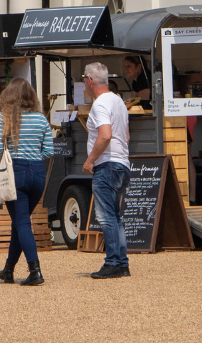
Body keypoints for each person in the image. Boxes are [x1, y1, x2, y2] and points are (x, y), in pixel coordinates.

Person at [0, 78, 51, 286]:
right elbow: (49, 151)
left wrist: (7, 162)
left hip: (15, 172)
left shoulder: (3, 118)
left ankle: (35, 271)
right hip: (38, 172)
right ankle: (8, 270)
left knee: (22, 222)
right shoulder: (41, 119)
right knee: (20, 222)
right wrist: (34, 156)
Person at [81, 62, 132, 278]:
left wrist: (90, 160)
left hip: (107, 164)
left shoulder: (100, 104)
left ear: (90, 81)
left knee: (106, 216)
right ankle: (122, 263)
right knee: (116, 216)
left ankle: (112, 262)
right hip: (122, 162)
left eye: (84, 78)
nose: (83, 83)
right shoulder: (119, 101)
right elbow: (127, 136)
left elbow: (105, 134)